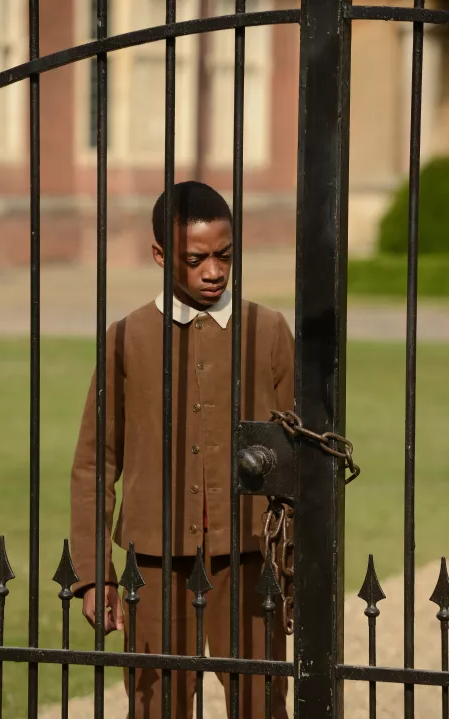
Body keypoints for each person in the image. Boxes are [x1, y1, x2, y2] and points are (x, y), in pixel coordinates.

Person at [70, 181, 294, 718]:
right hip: (153, 563)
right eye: (196, 260)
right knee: (157, 707)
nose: (214, 271)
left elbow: (300, 455)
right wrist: (95, 572)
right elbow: (95, 462)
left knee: (261, 705)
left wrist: (299, 564)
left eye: (225, 256)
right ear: (160, 255)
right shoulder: (125, 338)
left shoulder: (267, 331)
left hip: (249, 556)